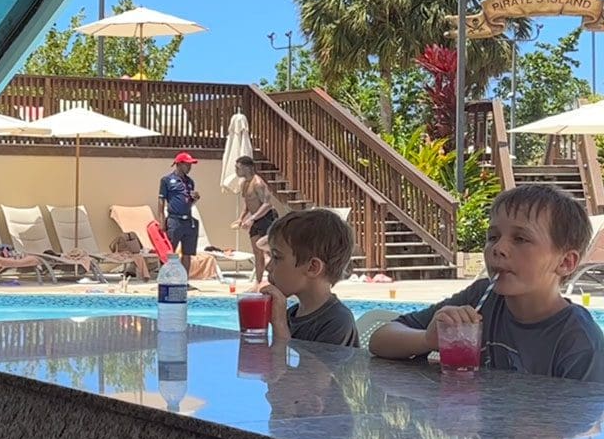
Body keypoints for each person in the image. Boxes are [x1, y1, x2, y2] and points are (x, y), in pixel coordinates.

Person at [369, 185, 604, 381]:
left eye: (521, 239)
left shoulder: (578, 338)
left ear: (566, 262)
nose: (499, 248)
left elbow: (582, 425)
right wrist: (428, 340)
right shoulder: (482, 298)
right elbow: (380, 340)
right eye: (493, 237)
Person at [260, 209, 358, 346]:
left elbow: (305, 367)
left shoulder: (337, 321)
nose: (268, 267)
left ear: (312, 267)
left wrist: (279, 324)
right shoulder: (291, 314)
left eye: (276, 257)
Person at [158, 151, 202, 279]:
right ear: (179, 164)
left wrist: (195, 199)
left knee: (187, 253)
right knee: (169, 253)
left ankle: (184, 281)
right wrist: (161, 222)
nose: (190, 167)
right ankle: (166, 279)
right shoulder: (166, 180)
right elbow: (161, 201)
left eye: (190, 165)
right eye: (187, 164)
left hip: (188, 221)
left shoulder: (190, 182)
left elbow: (189, 203)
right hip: (174, 220)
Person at [235, 155, 276, 282]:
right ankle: (258, 283)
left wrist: (252, 218)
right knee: (257, 253)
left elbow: (267, 204)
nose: (236, 171)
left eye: (238, 168)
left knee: (269, 252)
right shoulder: (244, 184)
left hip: (267, 218)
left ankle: (275, 281)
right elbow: (248, 203)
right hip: (255, 219)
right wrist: (241, 218)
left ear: (248, 168)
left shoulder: (258, 183)